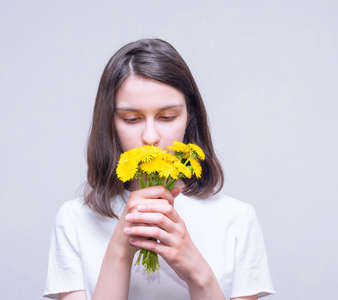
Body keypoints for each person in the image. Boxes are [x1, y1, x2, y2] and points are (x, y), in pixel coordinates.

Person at [42, 38, 275, 300]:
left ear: (190, 117)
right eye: (132, 119)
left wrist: (196, 271)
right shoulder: (75, 220)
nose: (150, 136)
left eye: (167, 117)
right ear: (110, 123)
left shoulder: (237, 219)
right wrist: (120, 247)